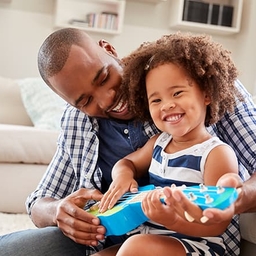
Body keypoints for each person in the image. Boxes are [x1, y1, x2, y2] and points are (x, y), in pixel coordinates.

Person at [0, 28, 256, 256]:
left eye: (103, 78)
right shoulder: (78, 121)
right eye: (85, 101)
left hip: (190, 240)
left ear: (110, 50)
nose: (107, 99)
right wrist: (58, 211)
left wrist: (232, 198)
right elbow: (39, 201)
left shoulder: (190, 79)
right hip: (109, 238)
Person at [93, 32, 242, 256]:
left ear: (207, 94)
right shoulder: (158, 143)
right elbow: (126, 163)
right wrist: (123, 175)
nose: (167, 105)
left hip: (199, 245)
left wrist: (172, 220)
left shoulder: (216, 154)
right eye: (156, 100)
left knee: (135, 247)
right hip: (154, 239)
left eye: (177, 93)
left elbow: (216, 224)